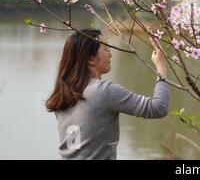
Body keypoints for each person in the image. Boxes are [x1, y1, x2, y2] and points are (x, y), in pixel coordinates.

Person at [45, 29, 169, 159]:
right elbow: (159, 108)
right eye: (105, 49)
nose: (110, 54)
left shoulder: (64, 94)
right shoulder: (103, 91)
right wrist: (161, 67)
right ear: (91, 59)